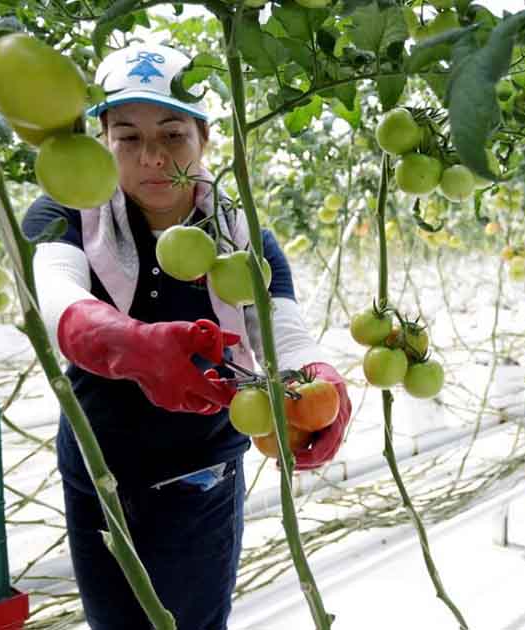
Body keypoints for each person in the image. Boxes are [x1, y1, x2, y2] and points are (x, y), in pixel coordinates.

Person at [20, 42, 353, 630]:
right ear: (103, 141)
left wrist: (316, 381)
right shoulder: (66, 212)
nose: (151, 157)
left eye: (172, 135)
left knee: (191, 622)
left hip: (200, 473)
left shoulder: (242, 236)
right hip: (97, 465)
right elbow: (53, 290)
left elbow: (278, 324)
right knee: (114, 622)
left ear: (203, 141)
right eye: (127, 136)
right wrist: (121, 340)